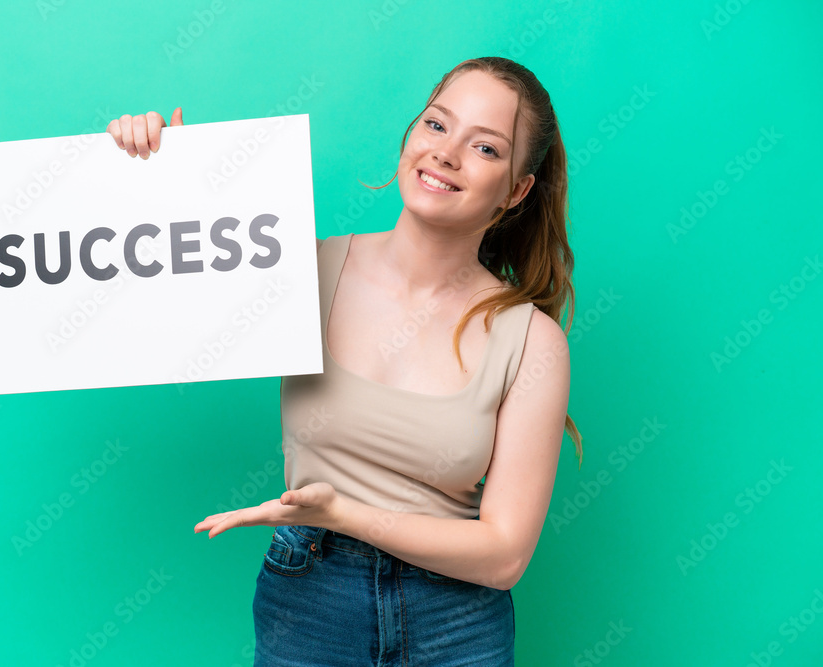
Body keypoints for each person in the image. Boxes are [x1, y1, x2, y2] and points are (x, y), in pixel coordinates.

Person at [107, 56, 584, 666]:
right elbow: (138, 302)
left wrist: (343, 513)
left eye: (486, 148)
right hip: (309, 603)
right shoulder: (296, 270)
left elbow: (504, 555)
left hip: (457, 626)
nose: (446, 153)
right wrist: (152, 171)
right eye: (437, 125)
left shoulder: (532, 342)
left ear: (517, 189)